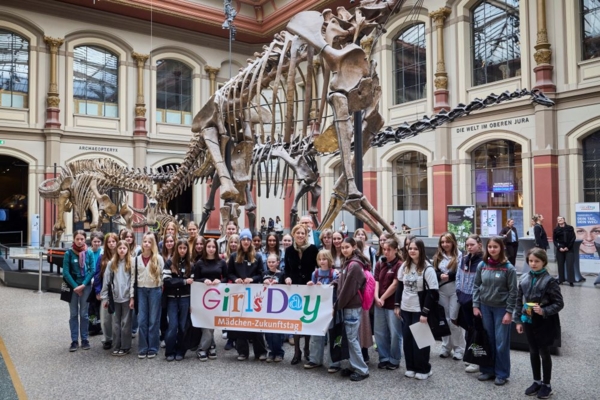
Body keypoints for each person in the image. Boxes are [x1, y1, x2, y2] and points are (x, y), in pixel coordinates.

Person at [515, 248, 564, 399]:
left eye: (537, 261)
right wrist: (518, 320)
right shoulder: (524, 278)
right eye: (530, 261)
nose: (533, 264)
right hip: (528, 320)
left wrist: (544, 310)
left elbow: (559, 303)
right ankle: (536, 381)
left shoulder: (550, 281)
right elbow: (518, 301)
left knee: (544, 352)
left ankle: (546, 384)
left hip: (545, 322)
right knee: (533, 351)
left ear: (544, 262)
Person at [473, 236, 518, 386]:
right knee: (488, 339)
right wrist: (475, 305)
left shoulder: (508, 268)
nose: (492, 249)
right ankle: (487, 370)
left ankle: (501, 373)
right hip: (485, 307)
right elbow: (476, 285)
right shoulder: (482, 265)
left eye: (495, 247)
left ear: (501, 248)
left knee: (501, 342)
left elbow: (513, 292)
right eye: (490, 247)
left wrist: (509, 312)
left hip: (501, 309)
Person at [393, 238, 438, 380]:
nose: (412, 251)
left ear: (421, 250)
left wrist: (425, 312)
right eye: (410, 248)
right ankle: (411, 367)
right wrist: (397, 305)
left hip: (420, 309)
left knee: (421, 340)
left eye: (415, 249)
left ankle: (424, 369)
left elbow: (433, 293)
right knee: (407, 339)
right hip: (406, 308)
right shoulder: (404, 266)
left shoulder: (427, 268)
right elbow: (400, 286)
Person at [228, 229, 267, 361]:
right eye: (243, 239)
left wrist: (252, 279)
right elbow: (230, 273)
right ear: (240, 241)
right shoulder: (234, 256)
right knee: (240, 322)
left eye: (248, 239)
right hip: (239, 293)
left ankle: (260, 352)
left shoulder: (258, 256)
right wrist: (235, 279)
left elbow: (262, 274)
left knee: (255, 322)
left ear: (251, 241)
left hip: (254, 294)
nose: (245, 242)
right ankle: (242, 352)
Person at [334, 237, 370, 381]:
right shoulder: (348, 262)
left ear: (354, 247)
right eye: (342, 247)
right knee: (351, 337)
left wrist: (337, 305)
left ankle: (362, 369)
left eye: (347, 247)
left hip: (352, 306)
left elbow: (348, 289)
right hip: (349, 305)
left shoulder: (354, 265)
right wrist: (333, 282)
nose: (344, 250)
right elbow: (342, 281)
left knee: (352, 338)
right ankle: (354, 365)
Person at [284, 223, 319, 364]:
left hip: (309, 287)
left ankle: (307, 349)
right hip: (294, 288)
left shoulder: (313, 249)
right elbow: (286, 269)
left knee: (307, 318)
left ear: (306, 235)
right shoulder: (289, 250)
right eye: (297, 233)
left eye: (302, 233)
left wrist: (315, 281)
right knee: (296, 319)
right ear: (293, 234)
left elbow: (318, 267)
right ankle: (297, 351)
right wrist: (286, 277)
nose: (300, 235)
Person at [130, 232, 165, 359]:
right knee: (142, 320)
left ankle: (153, 347)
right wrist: (132, 296)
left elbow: (162, 275)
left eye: (149, 242)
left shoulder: (158, 258)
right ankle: (143, 347)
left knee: (153, 320)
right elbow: (133, 279)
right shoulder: (136, 259)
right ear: (142, 243)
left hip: (155, 290)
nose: (147, 244)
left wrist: (161, 289)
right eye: (145, 241)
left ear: (153, 244)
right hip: (141, 290)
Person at [304, 249, 340, 371]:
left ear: (329, 260)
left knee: (332, 335)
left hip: (331, 307)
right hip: (319, 308)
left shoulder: (334, 274)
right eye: (319, 259)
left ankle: (334, 362)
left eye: (324, 259)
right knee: (316, 334)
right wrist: (311, 286)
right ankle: (315, 359)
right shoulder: (315, 273)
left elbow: (337, 291)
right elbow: (313, 292)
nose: (322, 261)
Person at [432, 232, 465, 360]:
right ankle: (446, 347)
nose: (445, 244)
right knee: (444, 319)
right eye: (442, 242)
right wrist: (439, 275)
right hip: (441, 290)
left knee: (454, 319)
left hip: (455, 291)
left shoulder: (460, 255)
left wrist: (449, 276)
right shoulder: (438, 256)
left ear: (453, 242)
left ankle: (459, 348)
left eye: (448, 241)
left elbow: (461, 273)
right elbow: (433, 271)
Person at [194, 238, 227, 361]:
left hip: (216, 297)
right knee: (205, 322)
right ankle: (205, 348)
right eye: (209, 247)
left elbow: (227, 278)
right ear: (205, 248)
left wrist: (220, 281)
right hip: (203, 297)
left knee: (212, 322)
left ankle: (209, 345)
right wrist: (204, 280)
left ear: (216, 248)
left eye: (213, 247)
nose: (211, 249)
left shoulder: (222, 262)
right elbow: (196, 279)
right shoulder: (199, 263)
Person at [63, 230, 95, 352]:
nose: (80, 241)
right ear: (74, 239)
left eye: (82, 239)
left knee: (84, 314)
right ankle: (74, 340)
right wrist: (76, 286)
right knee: (73, 314)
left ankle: (85, 339)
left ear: (85, 239)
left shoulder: (89, 252)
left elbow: (92, 270)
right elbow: (65, 272)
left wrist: (83, 285)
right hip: (72, 288)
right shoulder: (69, 253)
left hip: (85, 286)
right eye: (77, 239)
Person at [456, 234, 484, 373]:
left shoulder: (482, 262)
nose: (469, 247)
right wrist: (459, 292)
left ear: (479, 245)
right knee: (469, 330)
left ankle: (477, 360)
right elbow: (458, 276)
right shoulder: (463, 259)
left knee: (477, 331)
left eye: (472, 245)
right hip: (463, 300)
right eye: (467, 245)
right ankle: (469, 355)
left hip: (475, 302)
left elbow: (481, 284)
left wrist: (475, 301)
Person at [373, 238, 402, 370]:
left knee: (395, 333)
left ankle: (394, 359)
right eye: (384, 249)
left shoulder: (399, 264)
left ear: (395, 250)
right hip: (379, 302)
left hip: (391, 303)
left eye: (389, 250)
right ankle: (383, 357)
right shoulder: (380, 263)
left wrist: (383, 298)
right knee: (380, 331)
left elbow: (395, 284)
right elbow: (376, 281)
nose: (386, 252)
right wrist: (376, 297)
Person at [163, 239, 193, 361]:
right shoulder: (169, 263)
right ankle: (169, 351)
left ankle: (181, 350)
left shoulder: (190, 265)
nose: (182, 250)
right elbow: (167, 281)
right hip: (172, 299)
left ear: (187, 250)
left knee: (182, 326)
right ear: (176, 249)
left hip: (185, 299)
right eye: (180, 248)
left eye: (184, 248)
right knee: (173, 325)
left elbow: (193, 284)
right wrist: (183, 281)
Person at [101, 240, 133, 356]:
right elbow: (106, 281)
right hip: (114, 298)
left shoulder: (131, 263)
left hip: (127, 298)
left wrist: (132, 296)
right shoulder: (111, 263)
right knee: (115, 323)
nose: (122, 250)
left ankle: (125, 346)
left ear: (127, 249)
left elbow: (133, 281)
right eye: (120, 248)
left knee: (126, 323)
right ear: (117, 250)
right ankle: (116, 345)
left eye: (124, 248)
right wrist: (105, 297)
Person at [94, 232, 118, 350]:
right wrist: (98, 290)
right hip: (105, 291)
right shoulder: (102, 257)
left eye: (114, 241)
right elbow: (97, 275)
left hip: (118, 292)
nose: (111, 244)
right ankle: (107, 339)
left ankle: (116, 338)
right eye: (109, 242)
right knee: (105, 318)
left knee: (116, 317)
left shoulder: (121, 255)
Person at [262, 254, 286, 363]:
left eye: (273, 262)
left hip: (279, 306)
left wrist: (279, 283)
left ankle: (279, 352)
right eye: (269, 262)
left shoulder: (282, 274)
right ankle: (271, 352)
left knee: (277, 332)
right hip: (266, 305)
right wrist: (263, 282)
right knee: (268, 332)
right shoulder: (264, 274)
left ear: (278, 262)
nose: (271, 264)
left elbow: (287, 288)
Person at [553, 216, 576, 286]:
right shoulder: (556, 229)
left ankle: (571, 281)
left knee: (570, 265)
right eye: (558, 219)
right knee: (560, 265)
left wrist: (568, 247)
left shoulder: (570, 228)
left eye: (561, 219)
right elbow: (554, 240)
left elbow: (573, 238)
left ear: (564, 220)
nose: (560, 220)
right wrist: (559, 247)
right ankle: (561, 280)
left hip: (569, 248)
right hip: (560, 249)